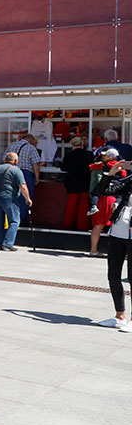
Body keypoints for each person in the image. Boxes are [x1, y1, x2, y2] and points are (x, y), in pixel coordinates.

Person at [94, 160, 132, 331]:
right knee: (113, 275)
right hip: (118, 232)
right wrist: (110, 174)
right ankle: (120, 315)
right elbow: (101, 191)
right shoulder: (129, 181)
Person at [0, 151, 33, 251]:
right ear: (16, 161)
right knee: (14, 221)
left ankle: (0, 243)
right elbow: (23, 186)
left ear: (5, 160)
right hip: (10, 199)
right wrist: (28, 199)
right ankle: (8, 243)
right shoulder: (16, 170)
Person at [60, 136, 93, 231]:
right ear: (82, 144)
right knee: (83, 206)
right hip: (85, 182)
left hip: (72, 183)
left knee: (71, 206)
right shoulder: (88, 154)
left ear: (72, 145)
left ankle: (67, 225)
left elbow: (63, 168)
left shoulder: (69, 155)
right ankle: (83, 226)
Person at [8, 132, 43, 218]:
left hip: (11, 172)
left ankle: (11, 218)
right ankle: (21, 219)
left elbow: (4, 158)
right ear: (31, 141)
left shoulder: (12, 146)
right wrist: (37, 177)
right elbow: (36, 164)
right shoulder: (31, 148)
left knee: (12, 196)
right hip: (25, 174)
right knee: (25, 197)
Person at [88, 148, 125, 216]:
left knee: (94, 193)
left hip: (107, 182)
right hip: (117, 183)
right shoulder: (118, 165)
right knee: (120, 194)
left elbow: (92, 167)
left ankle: (94, 206)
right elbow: (123, 174)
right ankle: (117, 203)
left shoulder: (105, 164)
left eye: (106, 155)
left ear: (110, 157)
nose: (104, 157)